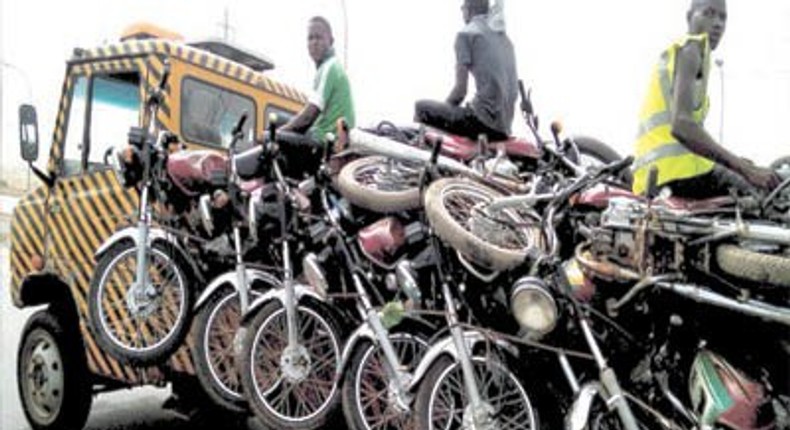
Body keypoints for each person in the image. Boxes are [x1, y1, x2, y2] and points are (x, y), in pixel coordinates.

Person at [632, 0, 781, 198]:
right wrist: (746, 170)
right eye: (709, 14)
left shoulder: (682, 54)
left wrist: (741, 164)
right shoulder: (691, 49)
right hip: (678, 173)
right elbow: (682, 126)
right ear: (689, 17)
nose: (718, 24)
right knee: (767, 198)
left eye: (723, 17)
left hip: (654, 176)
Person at [415, 0, 518, 143]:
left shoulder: (466, 34)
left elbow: (460, 92)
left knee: (421, 107)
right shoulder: (505, 39)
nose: (462, 12)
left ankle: (425, 154)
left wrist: (443, 112)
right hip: (504, 129)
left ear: (469, 10)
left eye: (462, 8)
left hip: (481, 123)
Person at [281, 16, 355, 143]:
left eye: (319, 37)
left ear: (331, 41)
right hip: (324, 133)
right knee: (279, 119)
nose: (314, 43)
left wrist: (279, 133)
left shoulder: (329, 67)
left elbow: (309, 116)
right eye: (310, 38)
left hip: (326, 139)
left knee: (274, 135)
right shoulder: (329, 67)